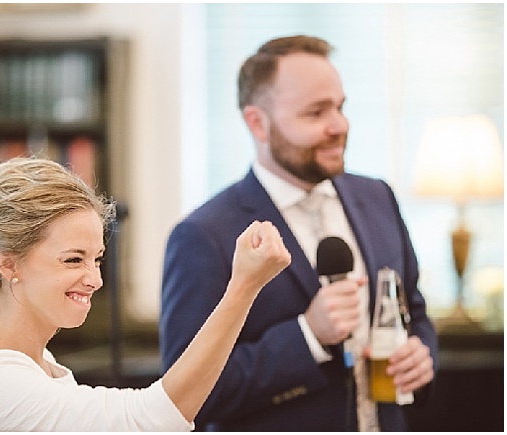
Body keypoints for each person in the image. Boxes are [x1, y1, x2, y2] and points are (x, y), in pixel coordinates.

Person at [160, 35, 437, 431]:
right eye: (315, 112)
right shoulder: (204, 235)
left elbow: (417, 312)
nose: (339, 125)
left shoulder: (378, 197)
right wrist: (308, 335)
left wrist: (422, 353)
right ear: (257, 122)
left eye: (340, 107)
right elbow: (186, 397)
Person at [0, 157, 291, 431]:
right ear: (9, 263)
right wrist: (243, 287)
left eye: (96, 259)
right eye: (73, 259)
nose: (93, 278)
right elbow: (154, 417)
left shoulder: (34, 361)